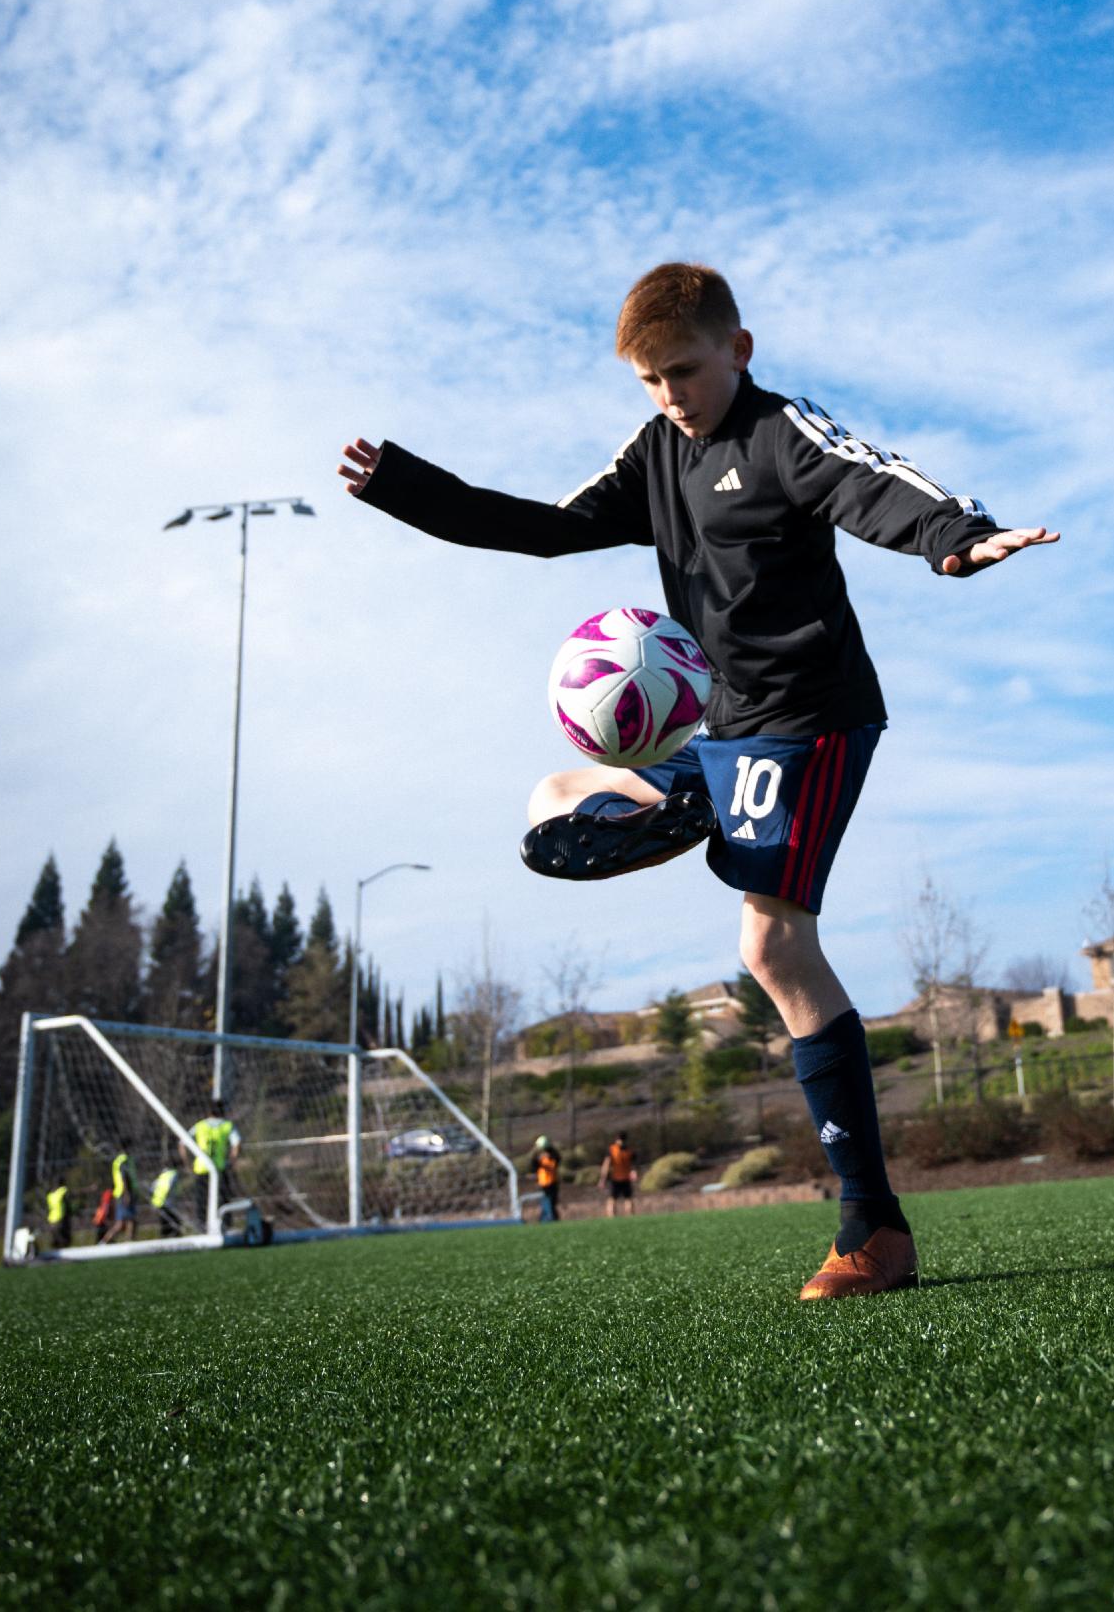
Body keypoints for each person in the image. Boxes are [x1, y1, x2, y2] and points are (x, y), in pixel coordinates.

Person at [339, 262, 1059, 1299]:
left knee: (771, 947)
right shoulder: (655, 452)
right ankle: (687, 804)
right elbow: (549, 527)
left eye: (683, 371)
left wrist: (958, 539)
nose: (670, 395)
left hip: (811, 721)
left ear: (738, 350)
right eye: (649, 380)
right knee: (551, 803)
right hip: (720, 724)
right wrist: (409, 489)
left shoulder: (781, 432)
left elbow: (871, 482)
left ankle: (874, 1229)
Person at [180, 1099, 242, 1229]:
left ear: (208, 1112)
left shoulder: (200, 1126)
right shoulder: (227, 1125)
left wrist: (187, 1163)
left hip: (202, 1168)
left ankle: (202, 1225)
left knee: (202, 1200)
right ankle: (225, 1225)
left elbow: (182, 1144)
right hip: (219, 1168)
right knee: (223, 1198)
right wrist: (232, 1161)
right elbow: (237, 1144)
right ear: (223, 1111)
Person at [102, 1139, 138, 1244]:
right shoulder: (124, 1160)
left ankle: (104, 1242)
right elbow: (124, 1177)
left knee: (122, 1223)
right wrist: (127, 1194)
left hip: (120, 1193)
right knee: (130, 1220)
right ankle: (129, 1243)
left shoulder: (119, 1160)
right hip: (124, 1193)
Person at [598, 1133, 638, 1215]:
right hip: (621, 1178)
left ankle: (613, 1218)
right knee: (625, 1199)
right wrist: (634, 1172)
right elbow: (634, 1165)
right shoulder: (628, 1150)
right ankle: (628, 1217)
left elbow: (606, 1165)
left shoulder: (613, 1149)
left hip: (620, 1178)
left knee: (616, 1199)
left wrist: (602, 1179)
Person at [533, 1135, 561, 1222]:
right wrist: (538, 1157)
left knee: (552, 1200)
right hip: (544, 1182)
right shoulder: (538, 1156)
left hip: (552, 1181)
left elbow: (557, 1160)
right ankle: (547, 1217)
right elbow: (534, 1165)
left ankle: (550, 1217)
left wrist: (549, 1155)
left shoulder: (552, 1154)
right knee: (547, 1199)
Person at [150, 1166, 183, 1237]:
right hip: (167, 1203)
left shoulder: (159, 1178)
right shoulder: (173, 1175)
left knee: (165, 1222)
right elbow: (170, 1188)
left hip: (159, 1203)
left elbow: (151, 1189)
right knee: (174, 1221)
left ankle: (166, 1236)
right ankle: (175, 1235)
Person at [45, 1177, 73, 1250]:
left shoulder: (50, 1194)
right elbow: (75, 1193)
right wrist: (90, 1189)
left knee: (56, 1241)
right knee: (64, 1241)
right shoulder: (62, 1190)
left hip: (51, 1220)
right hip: (60, 1220)